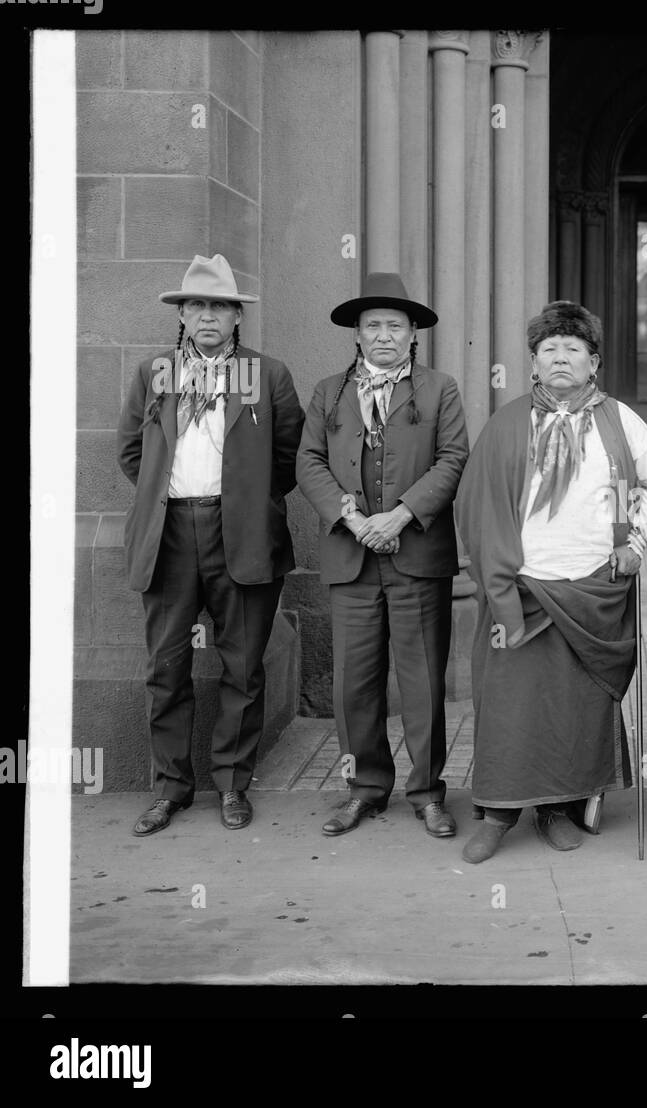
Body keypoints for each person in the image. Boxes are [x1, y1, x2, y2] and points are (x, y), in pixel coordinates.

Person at [454, 301, 647, 863]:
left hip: (592, 591)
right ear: (533, 362)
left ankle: (559, 806)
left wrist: (637, 544)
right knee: (508, 707)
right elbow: (475, 506)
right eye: (549, 349)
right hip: (521, 591)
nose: (561, 358)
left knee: (573, 710)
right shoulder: (507, 423)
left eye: (573, 349)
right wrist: (497, 584)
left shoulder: (619, 420)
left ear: (593, 362)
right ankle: (499, 812)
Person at [117, 253, 305, 835]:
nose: (206, 316)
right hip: (169, 533)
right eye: (196, 304)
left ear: (235, 317)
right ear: (182, 313)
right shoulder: (156, 372)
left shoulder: (266, 374)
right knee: (165, 666)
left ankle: (231, 784)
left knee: (243, 666)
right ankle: (171, 788)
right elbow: (130, 451)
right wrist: (165, 500)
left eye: (219, 305)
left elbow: (289, 458)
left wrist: (248, 502)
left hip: (242, 533)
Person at [297, 273, 469, 838]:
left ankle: (426, 793)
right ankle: (365, 788)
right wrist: (354, 519)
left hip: (417, 555)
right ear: (357, 334)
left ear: (413, 332)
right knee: (353, 684)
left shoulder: (439, 388)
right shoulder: (329, 391)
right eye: (373, 325)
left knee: (421, 681)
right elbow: (309, 463)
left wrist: (399, 515)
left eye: (396, 325)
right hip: (352, 558)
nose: (385, 335)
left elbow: (452, 458)